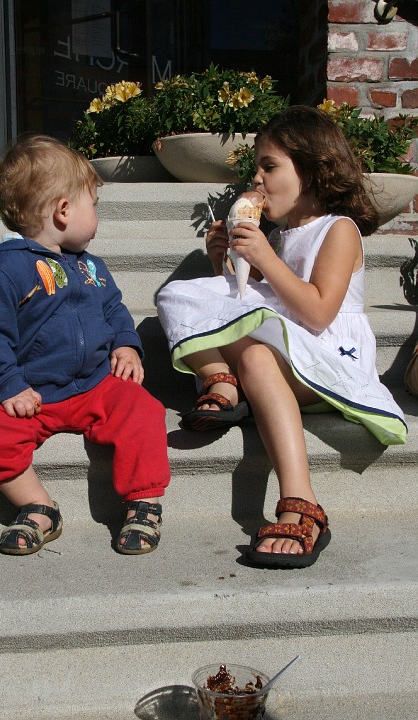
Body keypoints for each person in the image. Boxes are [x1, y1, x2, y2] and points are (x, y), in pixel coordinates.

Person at [157, 105, 407, 569]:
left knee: (255, 359)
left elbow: (317, 311)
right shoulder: (278, 237)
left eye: (269, 166)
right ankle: (220, 380)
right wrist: (223, 265)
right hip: (291, 353)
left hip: (330, 357)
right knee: (180, 294)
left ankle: (300, 501)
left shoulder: (339, 230)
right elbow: (252, 302)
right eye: (256, 168)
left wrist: (265, 260)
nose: (256, 179)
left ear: (311, 171)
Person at [0, 134, 170, 556]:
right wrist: (8, 385)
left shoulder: (91, 266)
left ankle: (144, 503)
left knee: (143, 409)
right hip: (33, 394)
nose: (96, 217)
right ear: (63, 210)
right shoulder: (0, 270)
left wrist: (126, 345)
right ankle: (37, 506)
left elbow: (113, 310)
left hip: (96, 384)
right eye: (93, 205)